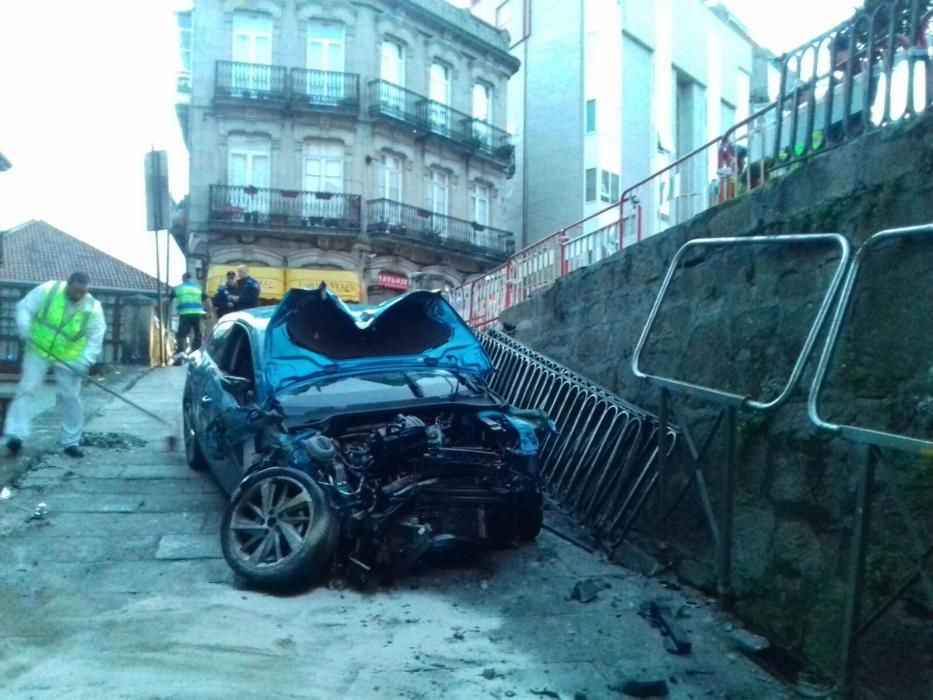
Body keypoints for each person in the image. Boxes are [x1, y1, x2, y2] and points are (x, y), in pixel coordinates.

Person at [3, 272, 106, 459]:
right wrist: (25, 328)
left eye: (83, 292)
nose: (79, 295)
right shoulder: (48, 290)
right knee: (27, 389)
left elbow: (95, 338)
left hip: (69, 356)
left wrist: (85, 361)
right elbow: (24, 307)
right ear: (68, 285)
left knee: (71, 397)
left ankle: (71, 442)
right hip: (38, 347)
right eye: (76, 290)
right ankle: (16, 435)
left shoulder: (93, 308)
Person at [170, 272, 208, 352]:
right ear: (192, 279)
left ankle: (181, 354)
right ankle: (197, 352)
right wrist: (210, 312)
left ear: (183, 279)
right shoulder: (198, 288)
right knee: (198, 335)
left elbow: (168, 299)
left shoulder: (178, 288)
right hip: (197, 314)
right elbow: (208, 300)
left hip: (185, 314)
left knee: (181, 336)